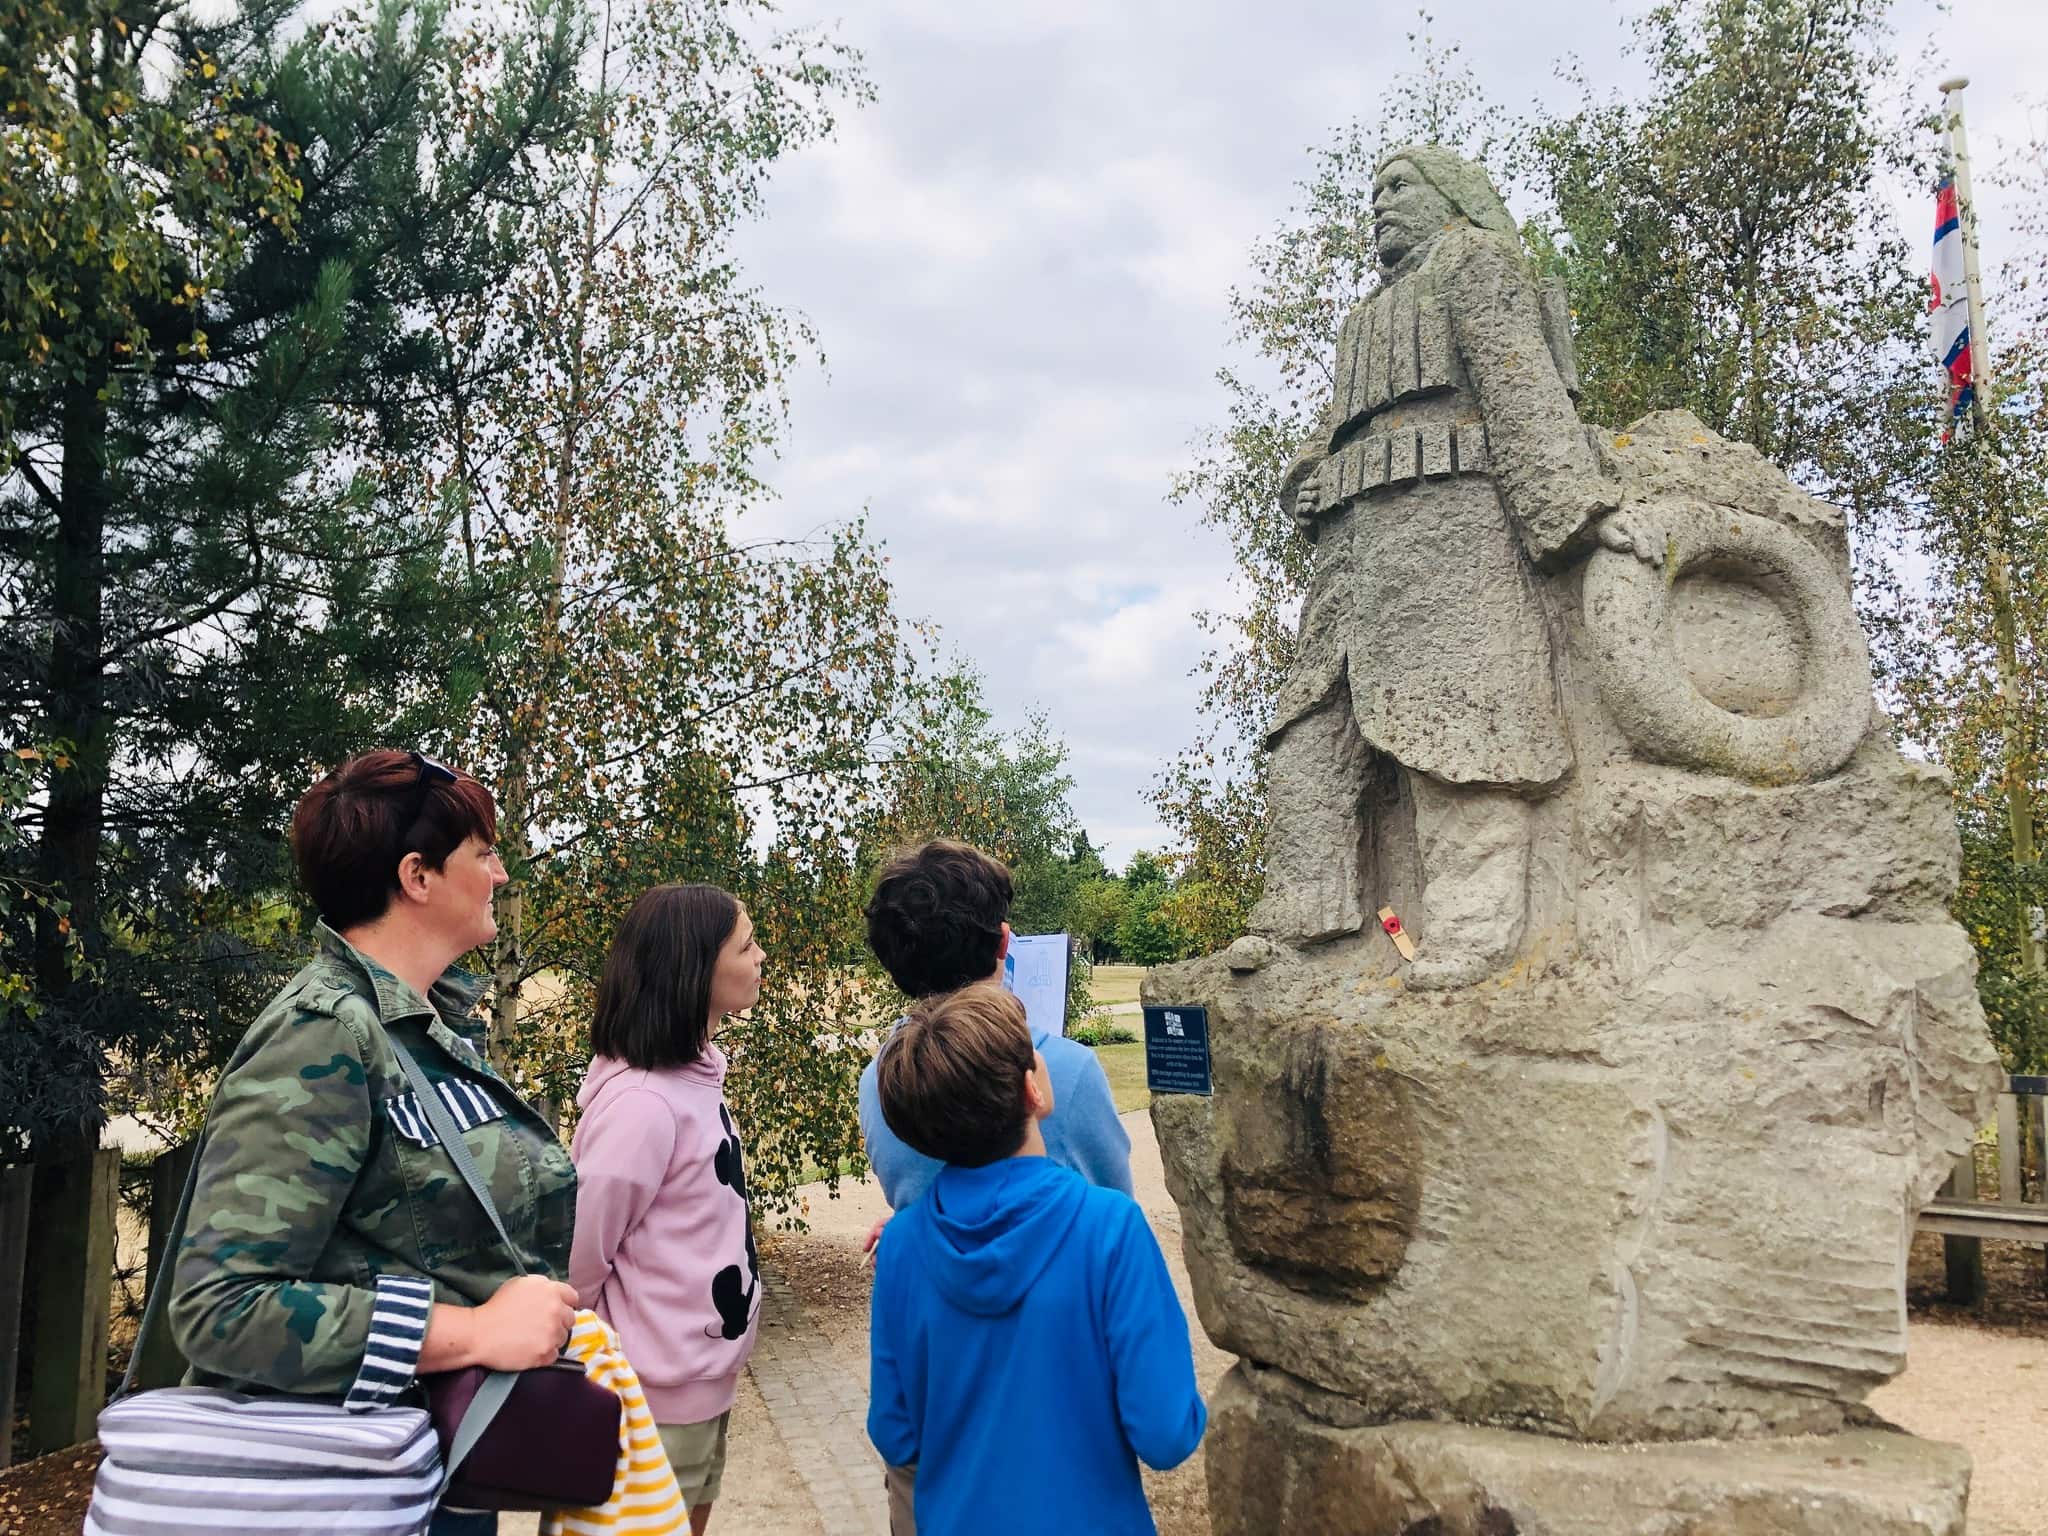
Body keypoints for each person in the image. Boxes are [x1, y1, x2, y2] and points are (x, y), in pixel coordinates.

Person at [169, 750, 581, 1536]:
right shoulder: (325, 1033)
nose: (499, 874)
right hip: (343, 1488)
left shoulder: (427, 1028)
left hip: (429, 1464)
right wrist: (470, 1331)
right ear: (417, 876)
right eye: (484, 854)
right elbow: (221, 1308)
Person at [1248, 144, 1621, 987]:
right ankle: (1305, 921)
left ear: (1452, 195)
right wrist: (1306, 478)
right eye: (1371, 188)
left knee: (1455, 728)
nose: (1379, 202)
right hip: (1352, 554)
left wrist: (1570, 513)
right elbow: (1333, 433)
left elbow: (1520, 389)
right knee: (1308, 731)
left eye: (1399, 185)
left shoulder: (1474, 262)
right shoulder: (1362, 319)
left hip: (1448, 531)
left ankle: (1476, 929)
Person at [866, 984, 1206, 1535]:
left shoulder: (902, 1244)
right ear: (1034, 1090)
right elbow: (1167, 1434)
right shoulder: (1110, 1230)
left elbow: (895, 1431)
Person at [570, 883, 766, 1536]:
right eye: (746, 944)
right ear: (696, 970)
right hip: (648, 1404)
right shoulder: (642, 1107)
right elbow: (579, 1256)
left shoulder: (697, 1076)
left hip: (702, 1388)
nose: (762, 955)